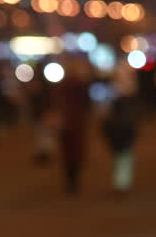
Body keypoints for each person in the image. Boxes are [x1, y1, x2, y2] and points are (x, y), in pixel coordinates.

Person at [54, 56, 94, 197]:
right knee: (76, 153)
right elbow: (88, 105)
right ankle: (74, 181)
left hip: (67, 123)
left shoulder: (62, 86)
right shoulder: (81, 85)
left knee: (67, 153)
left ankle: (70, 181)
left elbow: (57, 103)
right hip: (77, 124)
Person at [101, 63, 140, 199]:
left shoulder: (114, 97)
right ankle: (121, 183)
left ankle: (121, 184)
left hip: (121, 133)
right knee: (123, 159)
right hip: (121, 133)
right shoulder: (123, 97)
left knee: (122, 159)